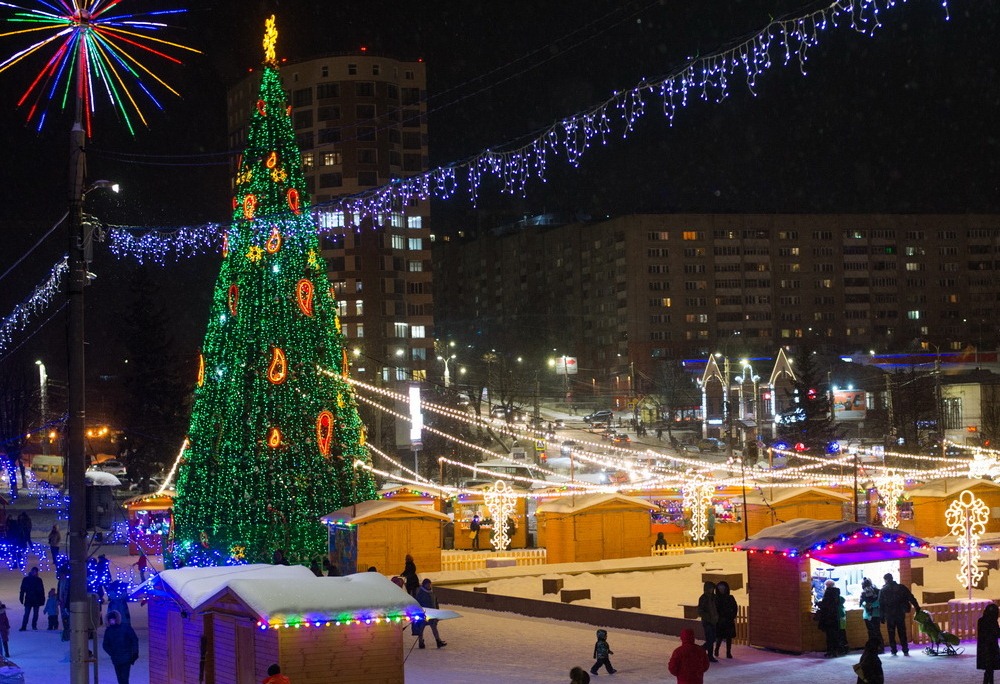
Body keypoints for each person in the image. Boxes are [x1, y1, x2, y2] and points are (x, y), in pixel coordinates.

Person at [879, 572, 920, 656]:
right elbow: (911, 597)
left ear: (885, 580)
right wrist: (917, 607)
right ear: (892, 578)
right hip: (900, 613)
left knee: (891, 632)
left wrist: (882, 616)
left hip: (889, 614)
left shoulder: (883, 590)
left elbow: (881, 604)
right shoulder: (901, 587)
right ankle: (905, 649)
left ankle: (893, 650)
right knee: (902, 631)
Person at [102, 610, 139, 684]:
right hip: (117, 658)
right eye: (110, 620)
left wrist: (134, 653)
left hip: (126, 658)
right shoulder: (109, 631)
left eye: (113, 619)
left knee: (124, 679)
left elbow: (134, 640)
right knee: (120, 678)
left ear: (116, 619)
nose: (112, 621)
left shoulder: (125, 628)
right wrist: (112, 653)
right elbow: (105, 644)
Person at [817, 579, 846, 657]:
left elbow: (825, 605)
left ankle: (830, 651)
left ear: (827, 586)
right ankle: (836, 650)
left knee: (829, 635)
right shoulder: (837, 593)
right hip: (836, 617)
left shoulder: (828, 593)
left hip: (828, 617)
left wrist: (818, 603)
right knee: (836, 634)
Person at [414, 579, 447, 649]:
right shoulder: (421, 593)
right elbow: (417, 604)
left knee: (434, 628)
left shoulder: (431, 592)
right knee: (421, 628)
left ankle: (438, 641)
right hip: (423, 614)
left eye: (429, 584)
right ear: (424, 584)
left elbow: (435, 602)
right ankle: (421, 642)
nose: (429, 585)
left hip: (432, 614)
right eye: (427, 584)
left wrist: (437, 611)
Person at [714, 580, 738, 659]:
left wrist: (732, 616)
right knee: (719, 637)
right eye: (720, 588)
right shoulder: (716, 598)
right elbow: (715, 609)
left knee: (728, 637)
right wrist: (718, 618)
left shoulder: (730, 598)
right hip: (720, 621)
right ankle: (716, 649)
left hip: (728, 620)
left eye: (723, 588)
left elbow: (734, 608)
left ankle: (728, 652)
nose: (721, 590)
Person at [696, 581, 719, 662]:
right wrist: (708, 617)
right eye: (710, 588)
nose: (712, 590)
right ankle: (702, 651)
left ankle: (708, 655)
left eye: (712, 588)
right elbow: (700, 611)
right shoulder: (703, 598)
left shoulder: (714, 597)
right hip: (707, 622)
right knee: (710, 639)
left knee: (712, 639)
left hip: (714, 621)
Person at [860, 577, 884, 652]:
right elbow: (879, 602)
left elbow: (862, 603)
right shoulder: (877, 591)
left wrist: (868, 605)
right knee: (875, 631)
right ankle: (878, 647)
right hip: (874, 614)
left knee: (872, 632)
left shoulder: (864, 592)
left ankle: (876, 647)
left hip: (868, 615)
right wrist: (871, 605)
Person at [978, 603, 1000, 684]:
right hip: (991, 647)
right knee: (990, 669)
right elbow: (997, 633)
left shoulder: (981, 621)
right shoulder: (993, 621)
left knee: (988, 669)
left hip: (983, 647)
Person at [18, 566, 45, 631]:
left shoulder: (38, 580)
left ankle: (34, 625)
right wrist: (21, 597)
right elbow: (22, 589)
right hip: (29, 599)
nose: (34, 573)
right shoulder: (26, 579)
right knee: (27, 613)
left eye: (35, 572)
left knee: (35, 614)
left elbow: (41, 590)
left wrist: (42, 599)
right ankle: (24, 626)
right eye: (33, 571)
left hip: (36, 599)